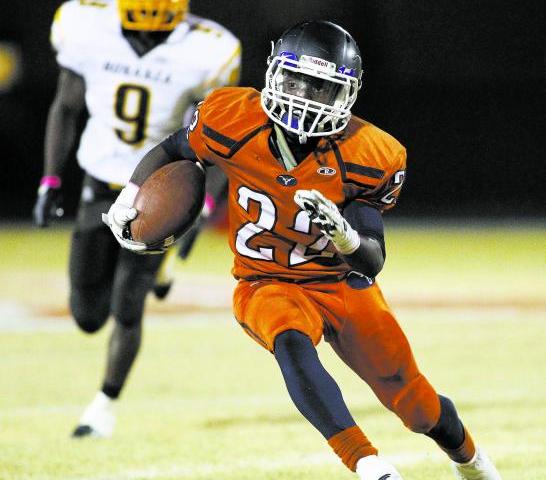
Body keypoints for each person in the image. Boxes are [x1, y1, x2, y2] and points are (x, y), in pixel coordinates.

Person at [104, 20, 501, 480]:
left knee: (415, 404)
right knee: (290, 339)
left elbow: (371, 261)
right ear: (273, 74)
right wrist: (129, 195)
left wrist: (344, 236)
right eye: (294, 81)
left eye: (320, 88)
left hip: (339, 282)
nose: (303, 97)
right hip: (264, 280)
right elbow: (175, 149)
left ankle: (471, 461)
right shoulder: (231, 116)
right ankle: (370, 465)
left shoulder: (370, 153)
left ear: (346, 96)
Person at [32, 0, 240, 438]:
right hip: (99, 183)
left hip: (157, 190)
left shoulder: (207, 47)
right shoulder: (87, 25)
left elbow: (215, 141)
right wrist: (50, 179)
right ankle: (155, 273)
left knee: (129, 303)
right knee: (88, 315)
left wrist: (199, 212)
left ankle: (102, 407)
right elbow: (66, 106)